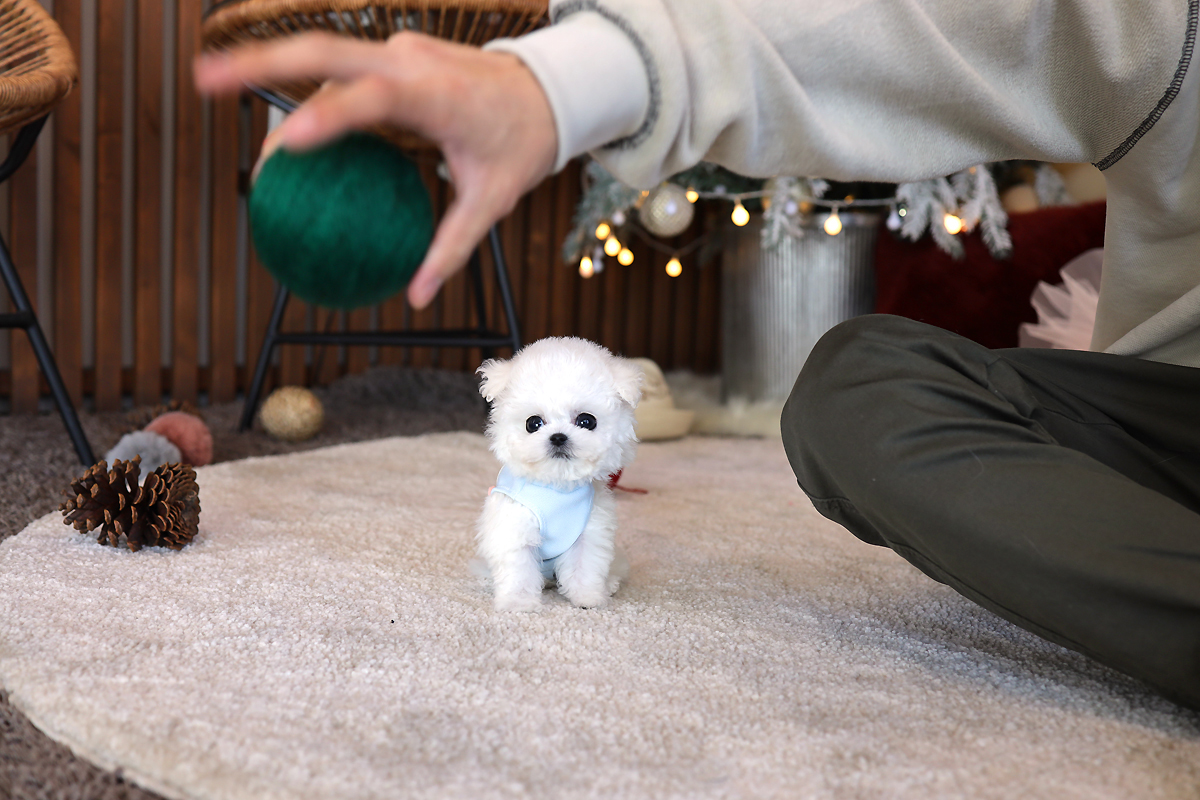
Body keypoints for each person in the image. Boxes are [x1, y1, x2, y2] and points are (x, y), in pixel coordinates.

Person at [196, 0, 1200, 709]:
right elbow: (958, 23)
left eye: (578, 419)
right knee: (857, 387)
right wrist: (560, 84)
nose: (554, 434)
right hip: (1167, 414)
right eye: (536, 418)